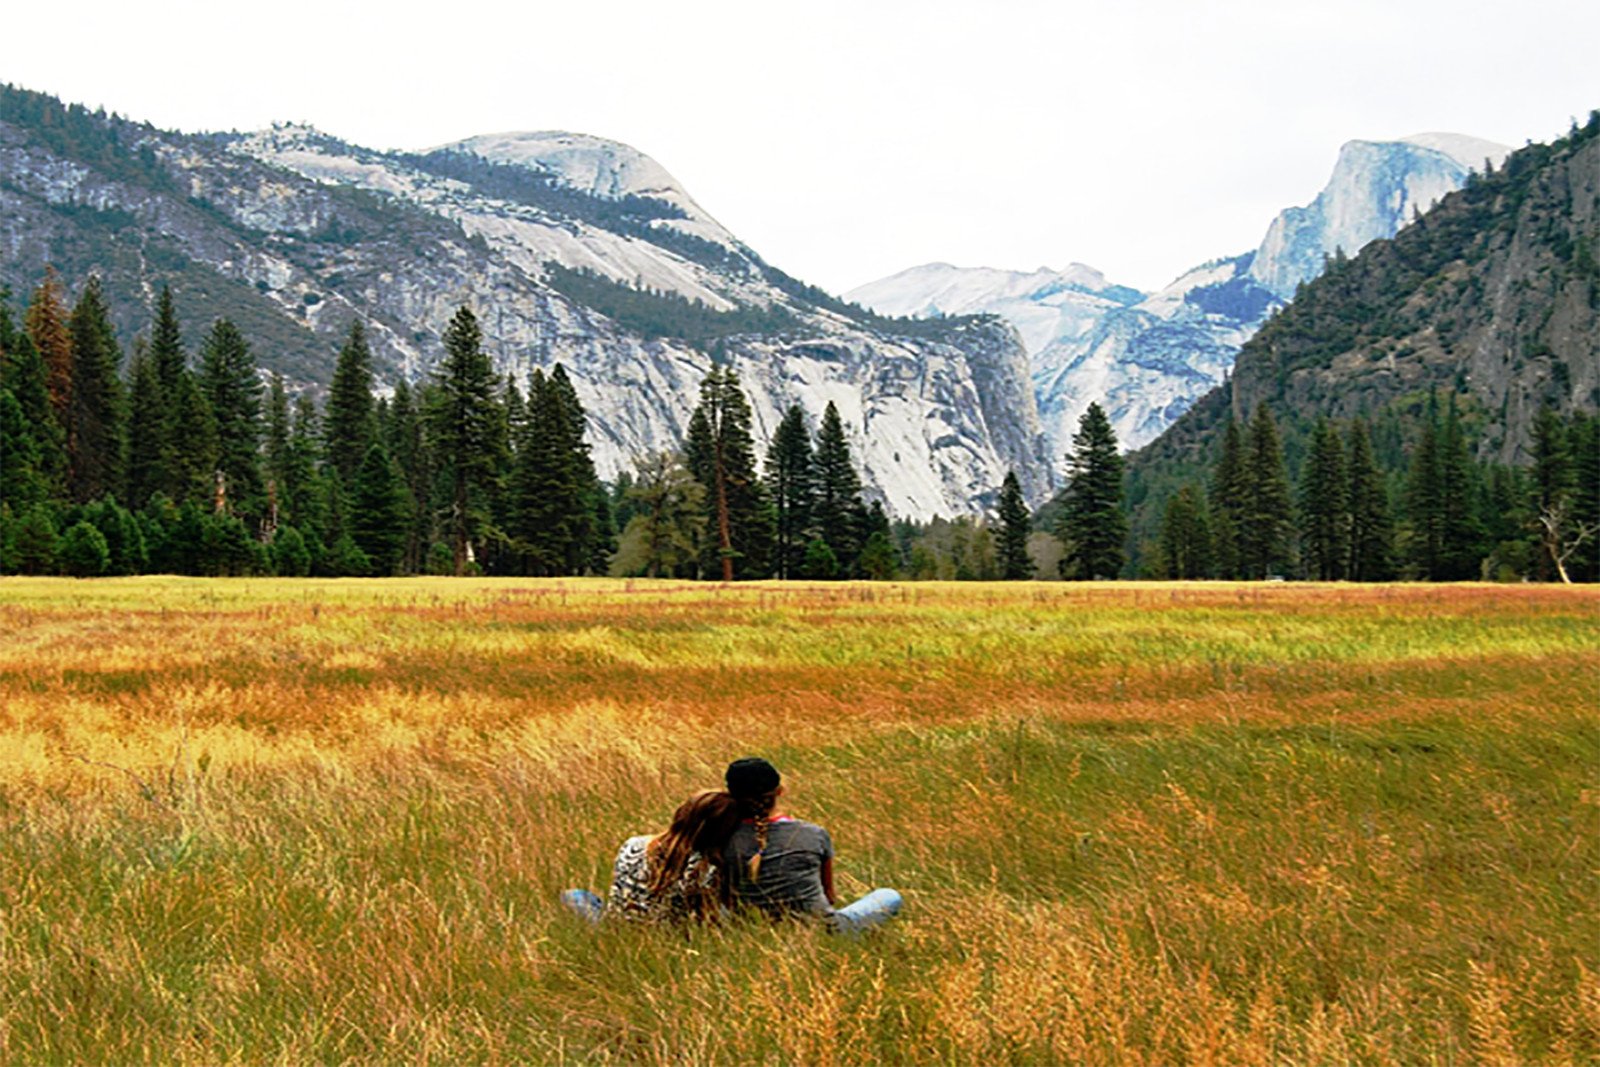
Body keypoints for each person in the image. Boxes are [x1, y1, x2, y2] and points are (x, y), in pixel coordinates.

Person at [722, 756, 902, 933]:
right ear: (780, 791)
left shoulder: (719, 837)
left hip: (749, 930)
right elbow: (829, 896)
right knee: (889, 896)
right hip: (822, 929)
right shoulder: (813, 834)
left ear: (731, 795)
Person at [562, 789, 741, 924]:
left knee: (574, 895)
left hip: (617, 927)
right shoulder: (705, 870)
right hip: (664, 938)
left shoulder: (633, 844)